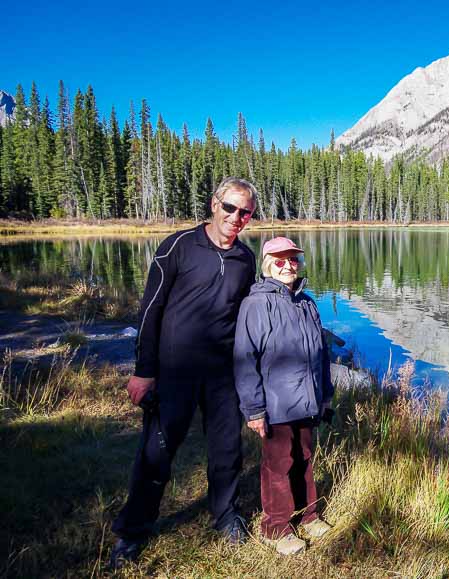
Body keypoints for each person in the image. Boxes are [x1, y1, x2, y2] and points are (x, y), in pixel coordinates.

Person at [110, 177, 259, 568]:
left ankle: (226, 517)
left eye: (245, 212)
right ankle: (132, 532)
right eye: (230, 207)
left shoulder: (246, 259)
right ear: (214, 204)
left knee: (227, 451)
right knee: (156, 452)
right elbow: (150, 310)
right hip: (174, 371)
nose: (236, 218)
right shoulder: (177, 246)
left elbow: (245, 317)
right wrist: (144, 371)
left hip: (223, 374)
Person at [233, 236, 334, 556]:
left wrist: (326, 394)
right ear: (267, 266)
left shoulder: (307, 302)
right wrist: (254, 410)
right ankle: (275, 526)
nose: (288, 265)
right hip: (276, 405)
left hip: (307, 400)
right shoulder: (256, 304)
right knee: (278, 463)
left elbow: (321, 353)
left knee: (304, 458)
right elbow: (245, 360)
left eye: (294, 260)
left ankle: (309, 515)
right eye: (280, 260)